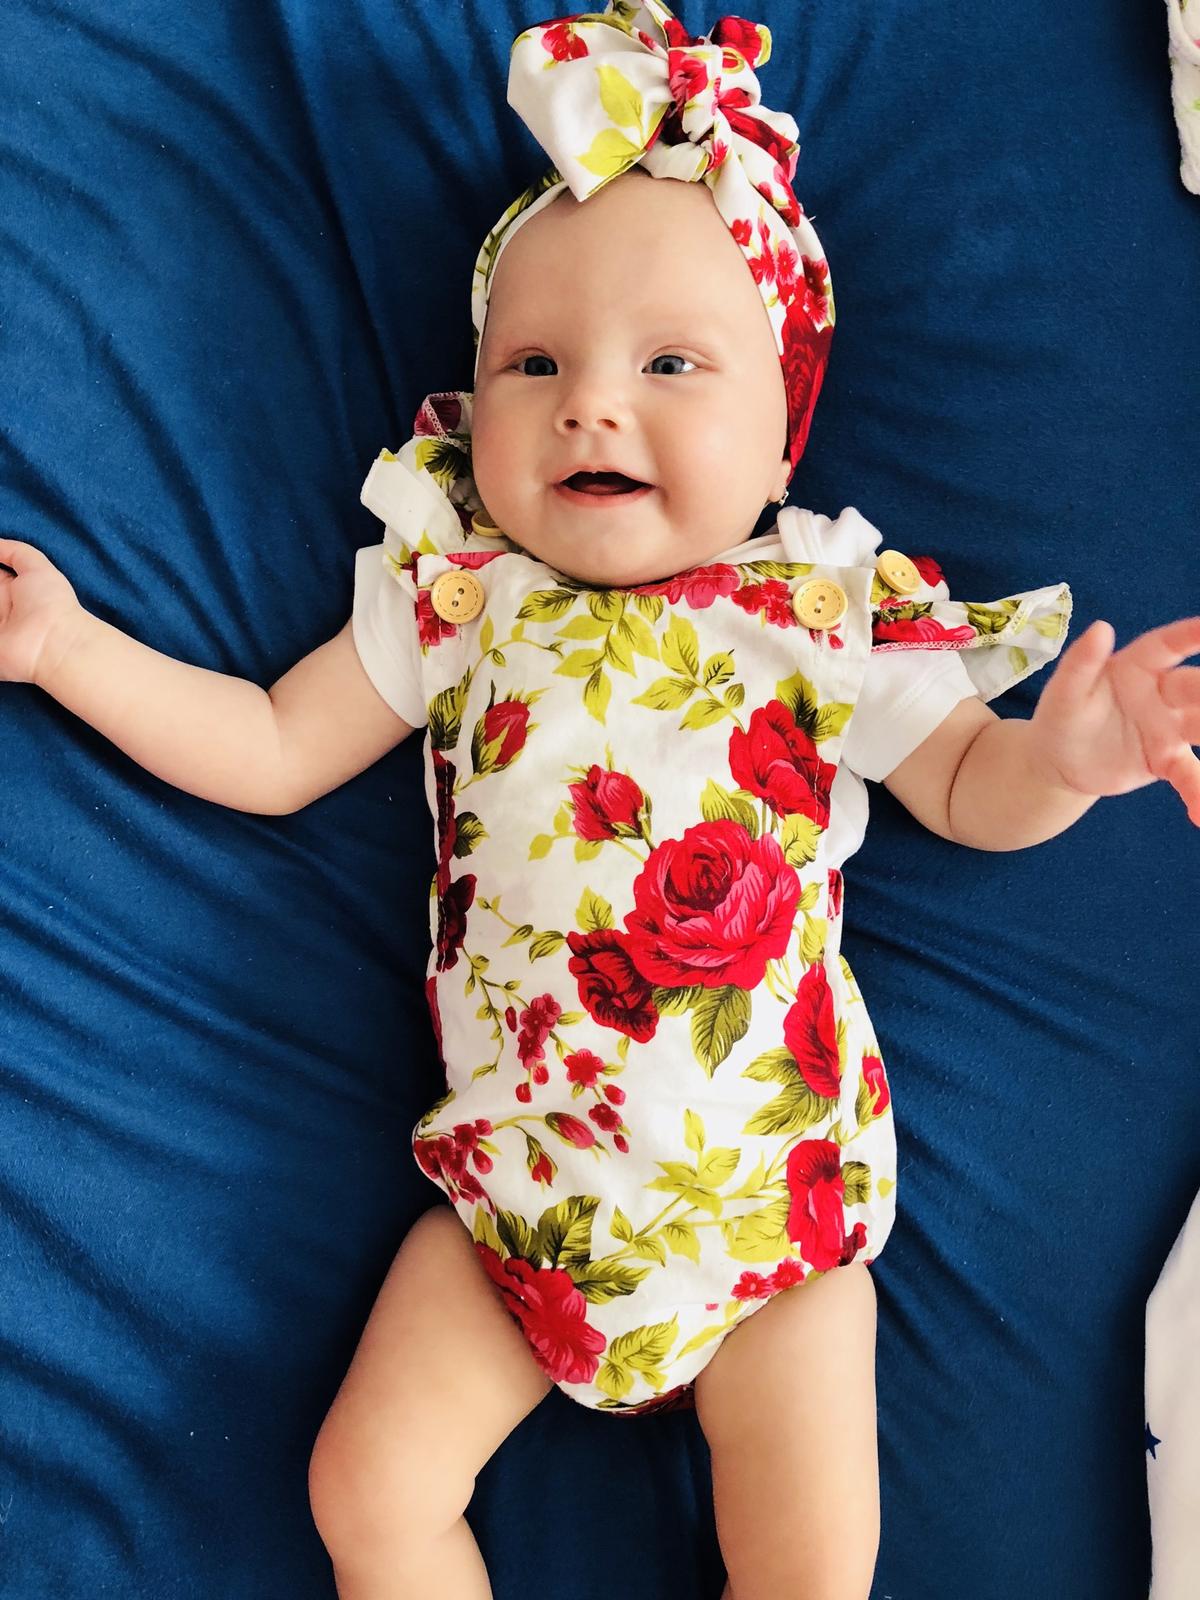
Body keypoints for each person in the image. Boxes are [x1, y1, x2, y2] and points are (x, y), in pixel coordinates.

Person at [1, 3, 1198, 1596]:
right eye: (534, 364)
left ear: (784, 430)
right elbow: (273, 746)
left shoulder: (815, 611)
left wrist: (1068, 762)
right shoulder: (456, 598)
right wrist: (69, 651)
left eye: (672, 364)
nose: (589, 403)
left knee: (812, 1566)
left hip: (772, 1234)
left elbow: (972, 788)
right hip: (514, 1219)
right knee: (369, 1495)